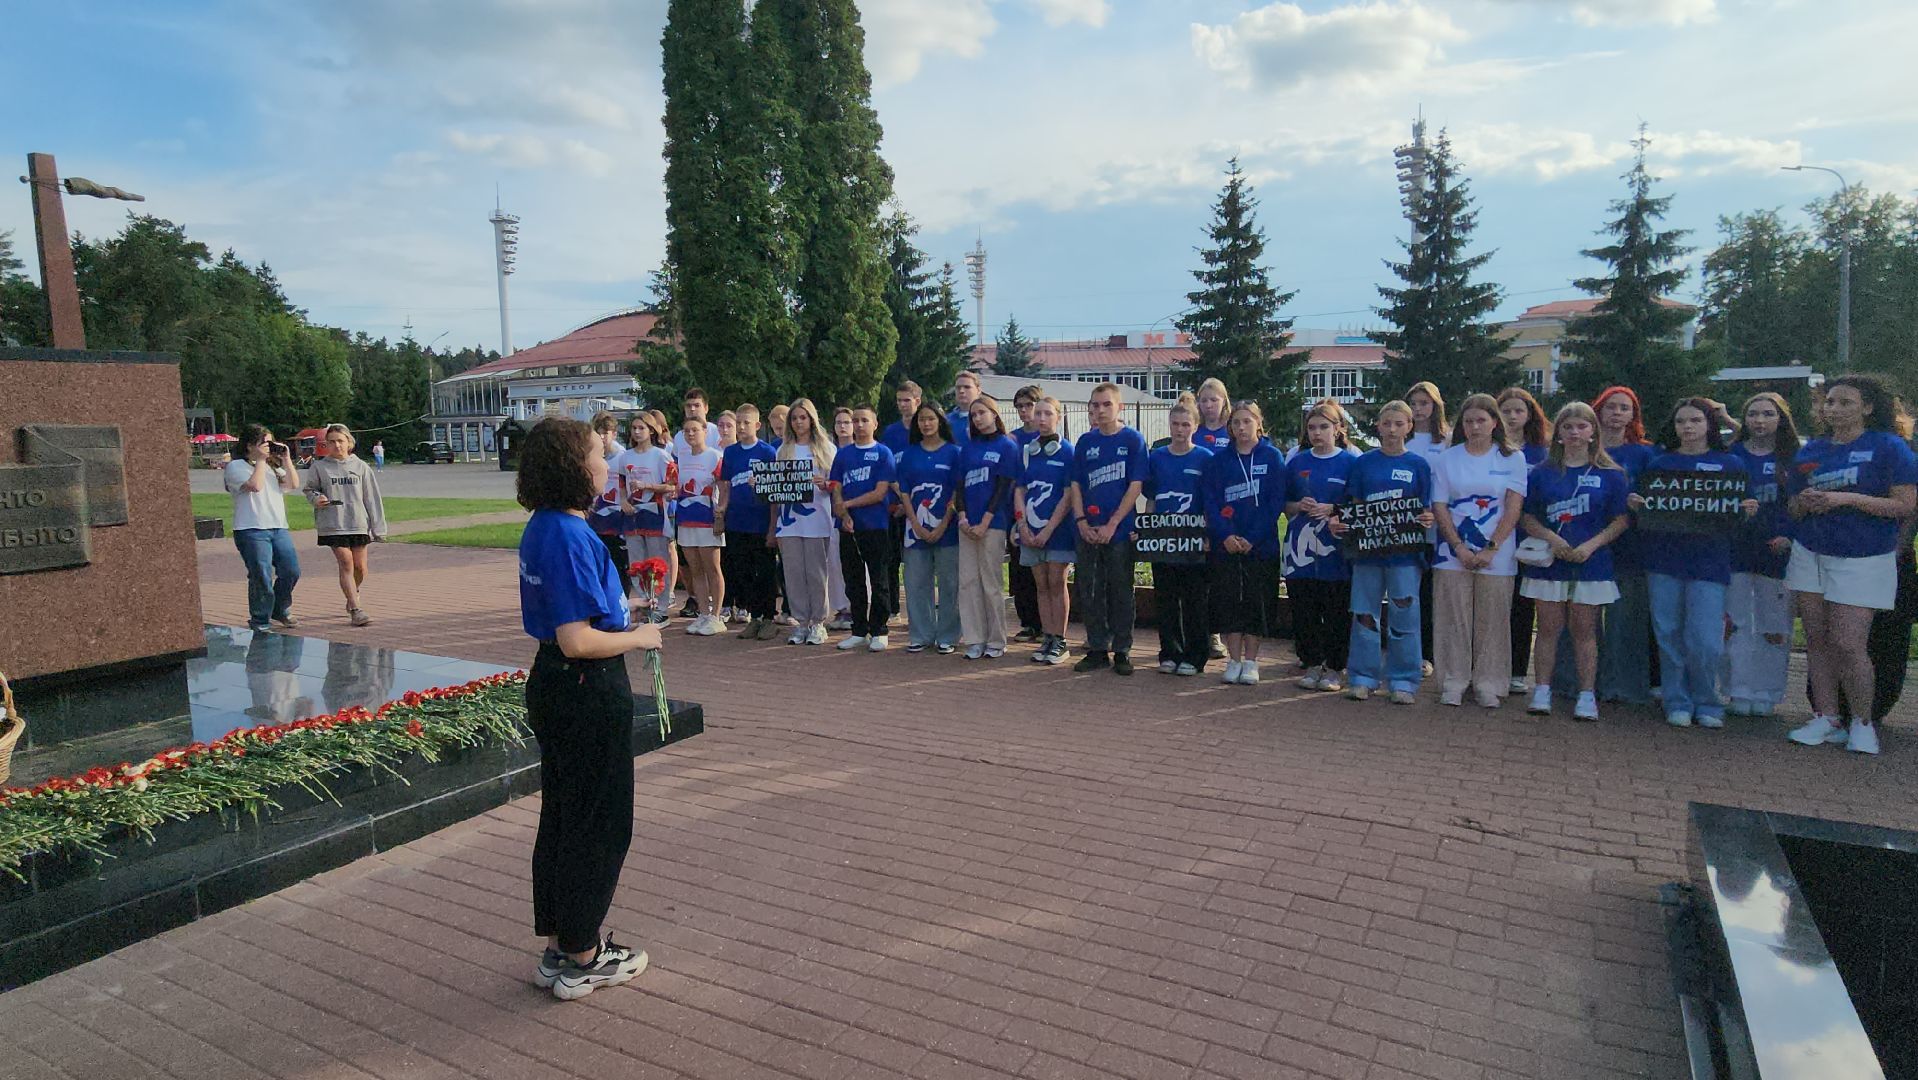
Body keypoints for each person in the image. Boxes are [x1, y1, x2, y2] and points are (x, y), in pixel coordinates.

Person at [514, 417, 662, 1001]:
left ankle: (560, 943)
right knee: (599, 821)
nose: (609, 463)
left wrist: (622, 607)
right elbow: (578, 638)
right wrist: (640, 638)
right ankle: (584, 954)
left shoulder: (545, 526)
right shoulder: (571, 535)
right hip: (584, 683)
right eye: (601, 455)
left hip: (554, 682)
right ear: (573, 468)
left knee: (565, 815)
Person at [1785, 373, 1918, 756]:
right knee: (1817, 639)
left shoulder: (1888, 447)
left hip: (1863, 557)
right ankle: (1826, 717)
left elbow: (1904, 505)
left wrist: (1847, 500)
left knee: (1848, 643)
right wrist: (1806, 502)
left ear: (1868, 407)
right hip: (1811, 552)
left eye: (1845, 402)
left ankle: (1862, 722)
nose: (1835, 409)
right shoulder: (1811, 452)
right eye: (1830, 402)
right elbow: (1792, 507)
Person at [1632, 398, 1748, 729]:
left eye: (1695, 420)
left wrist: (1747, 510)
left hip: (1709, 563)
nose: (1688, 427)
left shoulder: (1730, 465)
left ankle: (1707, 700)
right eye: (1682, 421)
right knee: (1667, 633)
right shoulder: (1659, 465)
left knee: (1706, 640)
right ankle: (1676, 700)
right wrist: (1637, 503)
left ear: (1709, 425)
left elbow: (1738, 513)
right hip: (1665, 559)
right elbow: (1646, 506)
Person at [1519, 402, 1631, 721]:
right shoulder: (1542, 473)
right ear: (1558, 433)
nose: (1575, 433)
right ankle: (1542, 690)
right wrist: (1553, 540)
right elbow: (1528, 517)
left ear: (1593, 431)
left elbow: (1620, 520)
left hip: (1591, 562)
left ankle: (1586, 694)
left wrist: (1591, 546)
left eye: (1581, 426)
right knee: (1549, 628)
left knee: (1585, 630)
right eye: (1568, 427)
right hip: (1551, 561)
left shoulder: (1611, 474)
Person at [1430, 394, 1529, 709]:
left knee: (1492, 621)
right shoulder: (1448, 458)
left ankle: (1489, 682)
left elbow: (1513, 508)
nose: (1474, 427)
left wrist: (1491, 548)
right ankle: (1453, 681)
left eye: (1481, 421)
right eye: (1469, 421)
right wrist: (1458, 546)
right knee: (1454, 618)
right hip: (1452, 553)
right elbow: (1440, 506)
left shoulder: (1512, 458)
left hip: (1497, 554)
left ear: (1494, 423)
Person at [1337, 400, 1436, 704]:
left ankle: (1404, 679)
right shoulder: (1364, 463)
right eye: (1387, 424)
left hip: (1405, 555)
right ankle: (1362, 677)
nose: (1392, 430)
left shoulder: (1418, 465)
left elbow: (1426, 508)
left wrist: (1427, 518)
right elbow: (1354, 506)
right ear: (1378, 427)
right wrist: (1344, 525)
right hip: (1368, 554)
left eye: (1399, 424)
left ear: (1409, 426)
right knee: (1365, 615)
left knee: (1404, 615)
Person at [1570, 385, 1660, 706]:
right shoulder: (1581, 451)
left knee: (1626, 622)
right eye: (1612, 407)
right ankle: (1581, 683)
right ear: (1599, 410)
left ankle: (1622, 686)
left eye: (1625, 408)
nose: (1617, 413)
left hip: (1631, 548)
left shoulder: (1646, 454)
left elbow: (1665, 491)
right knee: (1583, 624)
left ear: (1633, 415)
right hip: (1588, 547)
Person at [1724, 392, 1799, 719]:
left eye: (1768, 414)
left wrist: (1791, 537)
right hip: (1736, 550)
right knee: (1737, 623)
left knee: (1774, 625)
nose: (1760, 420)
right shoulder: (1732, 455)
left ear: (1780, 419)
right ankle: (1737, 688)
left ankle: (1767, 691)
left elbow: (1803, 505)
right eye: (1753, 414)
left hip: (1777, 554)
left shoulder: (1794, 457)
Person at [1204, 401, 1287, 684]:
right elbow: (1210, 502)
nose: (1241, 428)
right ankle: (1234, 659)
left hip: (1260, 547)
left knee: (1256, 602)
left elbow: (1275, 503)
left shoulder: (1273, 457)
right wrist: (1225, 535)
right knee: (1229, 603)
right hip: (1225, 545)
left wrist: (1252, 537)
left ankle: (1251, 661)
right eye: (1236, 422)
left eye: (1247, 422)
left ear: (1258, 423)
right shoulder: (1218, 461)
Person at [1071, 382, 1149, 675]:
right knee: (1090, 590)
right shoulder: (1085, 443)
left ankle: (1123, 650)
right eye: (1095, 405)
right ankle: (1097, 648)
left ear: (1120, 408)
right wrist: (1081, 521)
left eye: (1106, 405)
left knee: (1120, 590)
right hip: (1088, 530)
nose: (1100, 410)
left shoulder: (1132, 440)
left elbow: (1135, 485)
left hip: (1119, 531)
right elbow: (1076, 484)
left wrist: (1113, 523)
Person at [1283, 399, 1359, 693]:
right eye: (1312, 427)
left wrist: (1333, 508)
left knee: (1338, 609)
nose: (1317, 433)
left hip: (1337, 551)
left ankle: (1335, 667)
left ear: (1338, 429)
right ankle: (1312, 663)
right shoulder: (1297, 462)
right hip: (1301, 552)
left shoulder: (1351, 462)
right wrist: (1298, 505)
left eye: (1324, 427)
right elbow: (1284, 504)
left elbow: (1358, 505)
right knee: (1304, 609)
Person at [1146, 401, 1212, 676]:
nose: (1180, 430)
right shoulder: (1157, 457)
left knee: (1195, 600)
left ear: (1195, 426)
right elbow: (1151, 499)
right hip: (1164, 541)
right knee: (1167, 599)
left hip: (1193, 542)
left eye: (1186, 424)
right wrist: (1148, 531)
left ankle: (1196, 656)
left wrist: (1208, 535)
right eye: (1176, 424)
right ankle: (1169, 652)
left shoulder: (1205, 458)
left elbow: (1210, 502)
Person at [303, 423, 387, 628]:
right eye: (331, 442)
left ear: (349, 443)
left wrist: (378, 527)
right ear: (326, 445)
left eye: (340, 441)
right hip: (333, 523)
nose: (336, 445)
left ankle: (351, 595)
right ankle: (356, 610)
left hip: (357, 523)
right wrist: (316, 498)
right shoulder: (319, 467)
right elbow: (309, 490)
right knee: (346, 563)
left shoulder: (361, 467)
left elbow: (372, 498)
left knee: (360, 568)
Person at [1497, 387, 1552, 695]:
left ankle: (1518, 670)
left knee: (1522, 606)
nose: (1513, 416)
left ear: (1530, 415)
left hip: (1529, 540)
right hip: (1493, 539)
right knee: (1494, 608)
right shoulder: (1490, 449)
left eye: (1519, 411)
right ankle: (1490, 666)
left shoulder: (1541, 452)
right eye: (1506, 411)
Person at [1015, 395, 1078, 665]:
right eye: (1037, 413)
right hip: (1030, 530)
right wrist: (1022, 525)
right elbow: (1019, 490)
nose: (1041, 419)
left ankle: (1060, 640)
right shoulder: (1027, 451)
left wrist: (1048, 530)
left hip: (1058, 531)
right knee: (1040, 585)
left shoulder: (1067, 452)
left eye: (1047, 414)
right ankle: (1047, 636)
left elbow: (1068, 496)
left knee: (1056, 582)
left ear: (1058, 417)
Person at [830, 405, 898, 652]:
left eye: (864, 420)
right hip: (847, 526)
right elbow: (836, 485)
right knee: (853, 580)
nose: (859, 425)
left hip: (875, 526)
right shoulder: (844, 454)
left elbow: (880, 493)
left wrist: (847, 503)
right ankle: (859, 630)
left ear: (875, 424)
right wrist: (842, 510)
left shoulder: (883, 453)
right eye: (855, 421)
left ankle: (879, 629)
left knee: (879, 579)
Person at [957, 395, 1020, 659]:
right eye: (973, 414)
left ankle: (996, 639)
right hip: (967, 525)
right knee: (968, 582)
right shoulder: (968, 448)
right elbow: (959, 485)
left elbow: (1003, 487)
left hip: (992, 524)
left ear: (994, 414)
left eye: (982, 412)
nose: (977, 418)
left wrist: (985, 520)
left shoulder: (1007, 446)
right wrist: (962, 516)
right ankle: (974, 638)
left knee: (991, 583)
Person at [897, 403, 962, 654]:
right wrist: (915, 523)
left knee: (950, 583)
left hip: (948, 528)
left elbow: (957, 491)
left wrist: (944, 523)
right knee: (916, 582)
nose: (926, 424)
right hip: (915, 530)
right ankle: (920, 634)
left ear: (940, 421)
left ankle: (948, 635)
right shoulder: (909, 454)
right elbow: (903, 491)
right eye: (921, 420)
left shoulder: (954, 453)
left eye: (931, 419)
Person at [226, 425, 303, 633]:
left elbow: (293, 484)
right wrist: (260, 461)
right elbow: (255, 486)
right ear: (250, 445)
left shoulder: (272, 467)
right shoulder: (236, 467)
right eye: (264, 443)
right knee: (261, 573)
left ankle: (279, 607)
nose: (269, 448)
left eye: (271, 443)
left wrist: (286, 459)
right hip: (251, 528)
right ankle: (260, 618)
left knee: (291, 570)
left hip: (278, 526)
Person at [774, 398, 836, 645]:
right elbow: (775, 483)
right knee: (793, 572)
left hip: (817, 517)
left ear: (812, 419)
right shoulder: (783, 450)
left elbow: (837, 483)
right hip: (789, 521)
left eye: (803, 417)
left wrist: (826, 484)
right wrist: (761, 484)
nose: (799, 422)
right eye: (795, 418)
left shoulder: (826, 448)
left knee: (816, 572)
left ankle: (818, 621)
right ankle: (800, 621)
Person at [718, 404, 780, 640]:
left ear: (757, 425)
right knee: (742, 572)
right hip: (737, 522)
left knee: (764, 572)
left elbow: (774, 493)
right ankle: (754, 618)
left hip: (760, 522)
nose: (742, 427)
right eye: (739, 422)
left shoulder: (767, 452)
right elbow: (726, 486)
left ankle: (768, 618)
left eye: (746, 423)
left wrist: (772, 527)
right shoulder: (731, 453)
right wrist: (721, 513)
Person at [1405, 381, 1450, 679]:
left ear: (1435, 406)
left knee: (1428, 593)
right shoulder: (1399, 437)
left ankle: (1427, 653)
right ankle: (1404, 650)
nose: (1419, 409)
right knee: (1404, 591)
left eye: (1425, 403)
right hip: (1400, 527)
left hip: (1435, 527)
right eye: (1414, 403)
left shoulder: (1447, 440)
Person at [614, 414, 677, 625]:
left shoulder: (661, 456)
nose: (637, 431)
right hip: (633, 515)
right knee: (637, 562)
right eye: (634, 428)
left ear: (651, 430)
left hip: (655, 514)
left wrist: (648, 486)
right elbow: (622, 483)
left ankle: (661, 607)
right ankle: (643, 603)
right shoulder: (626, 457)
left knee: (657, 562)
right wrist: (623, 501)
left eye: (641, 428)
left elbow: (672, 485)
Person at [673, 417, 726, 636]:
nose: (691, 434)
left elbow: (723, 488)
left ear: (705, 431)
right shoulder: (681, 459)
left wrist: (720, 514)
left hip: (707, 519)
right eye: (687, 431)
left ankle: (716, 615)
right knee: (695, 569)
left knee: (712, 568)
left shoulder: (715, 457)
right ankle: (703, 613)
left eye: (695, 430)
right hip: (686, 518)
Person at [1007, 384, 1047, 646]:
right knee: (1020, 568)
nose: (1024, 411)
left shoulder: (1049, 438)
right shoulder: (1012, 439)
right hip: (1018, 512)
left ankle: (1046, 624)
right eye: (1019, 406)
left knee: (1043, 571)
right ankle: (1028, 622)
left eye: (1028, 405)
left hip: (1043, 511)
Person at [882, 381, 922, 617]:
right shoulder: (891, 432)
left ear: (917, 401)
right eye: (899, 400)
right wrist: (898, 500)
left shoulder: (926, 428)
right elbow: (888, 468)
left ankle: (920, 611)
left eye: (907, 400)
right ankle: (892, 608)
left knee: (918, 562)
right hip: (895, 504)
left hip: (921, 505)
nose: (902, 405)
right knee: (891, 559)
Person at [670, 387, 722, 457]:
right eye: (688, 406)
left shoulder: (717, 433)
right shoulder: (679, 437)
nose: (692, 409)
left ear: (706, 408)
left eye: (697, 405)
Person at [1194, 378, 1232, 452]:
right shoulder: (1193, 431)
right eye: (1204, 401)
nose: (1208, 405)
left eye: (1214, 400)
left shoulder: (1232, 431)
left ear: (1224, 401)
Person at [948, 371, 982, 447]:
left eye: (967, 387)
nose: (961, 391)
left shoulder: (986, 419)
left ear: (978, 390)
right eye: (958, 388)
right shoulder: (945, 420)